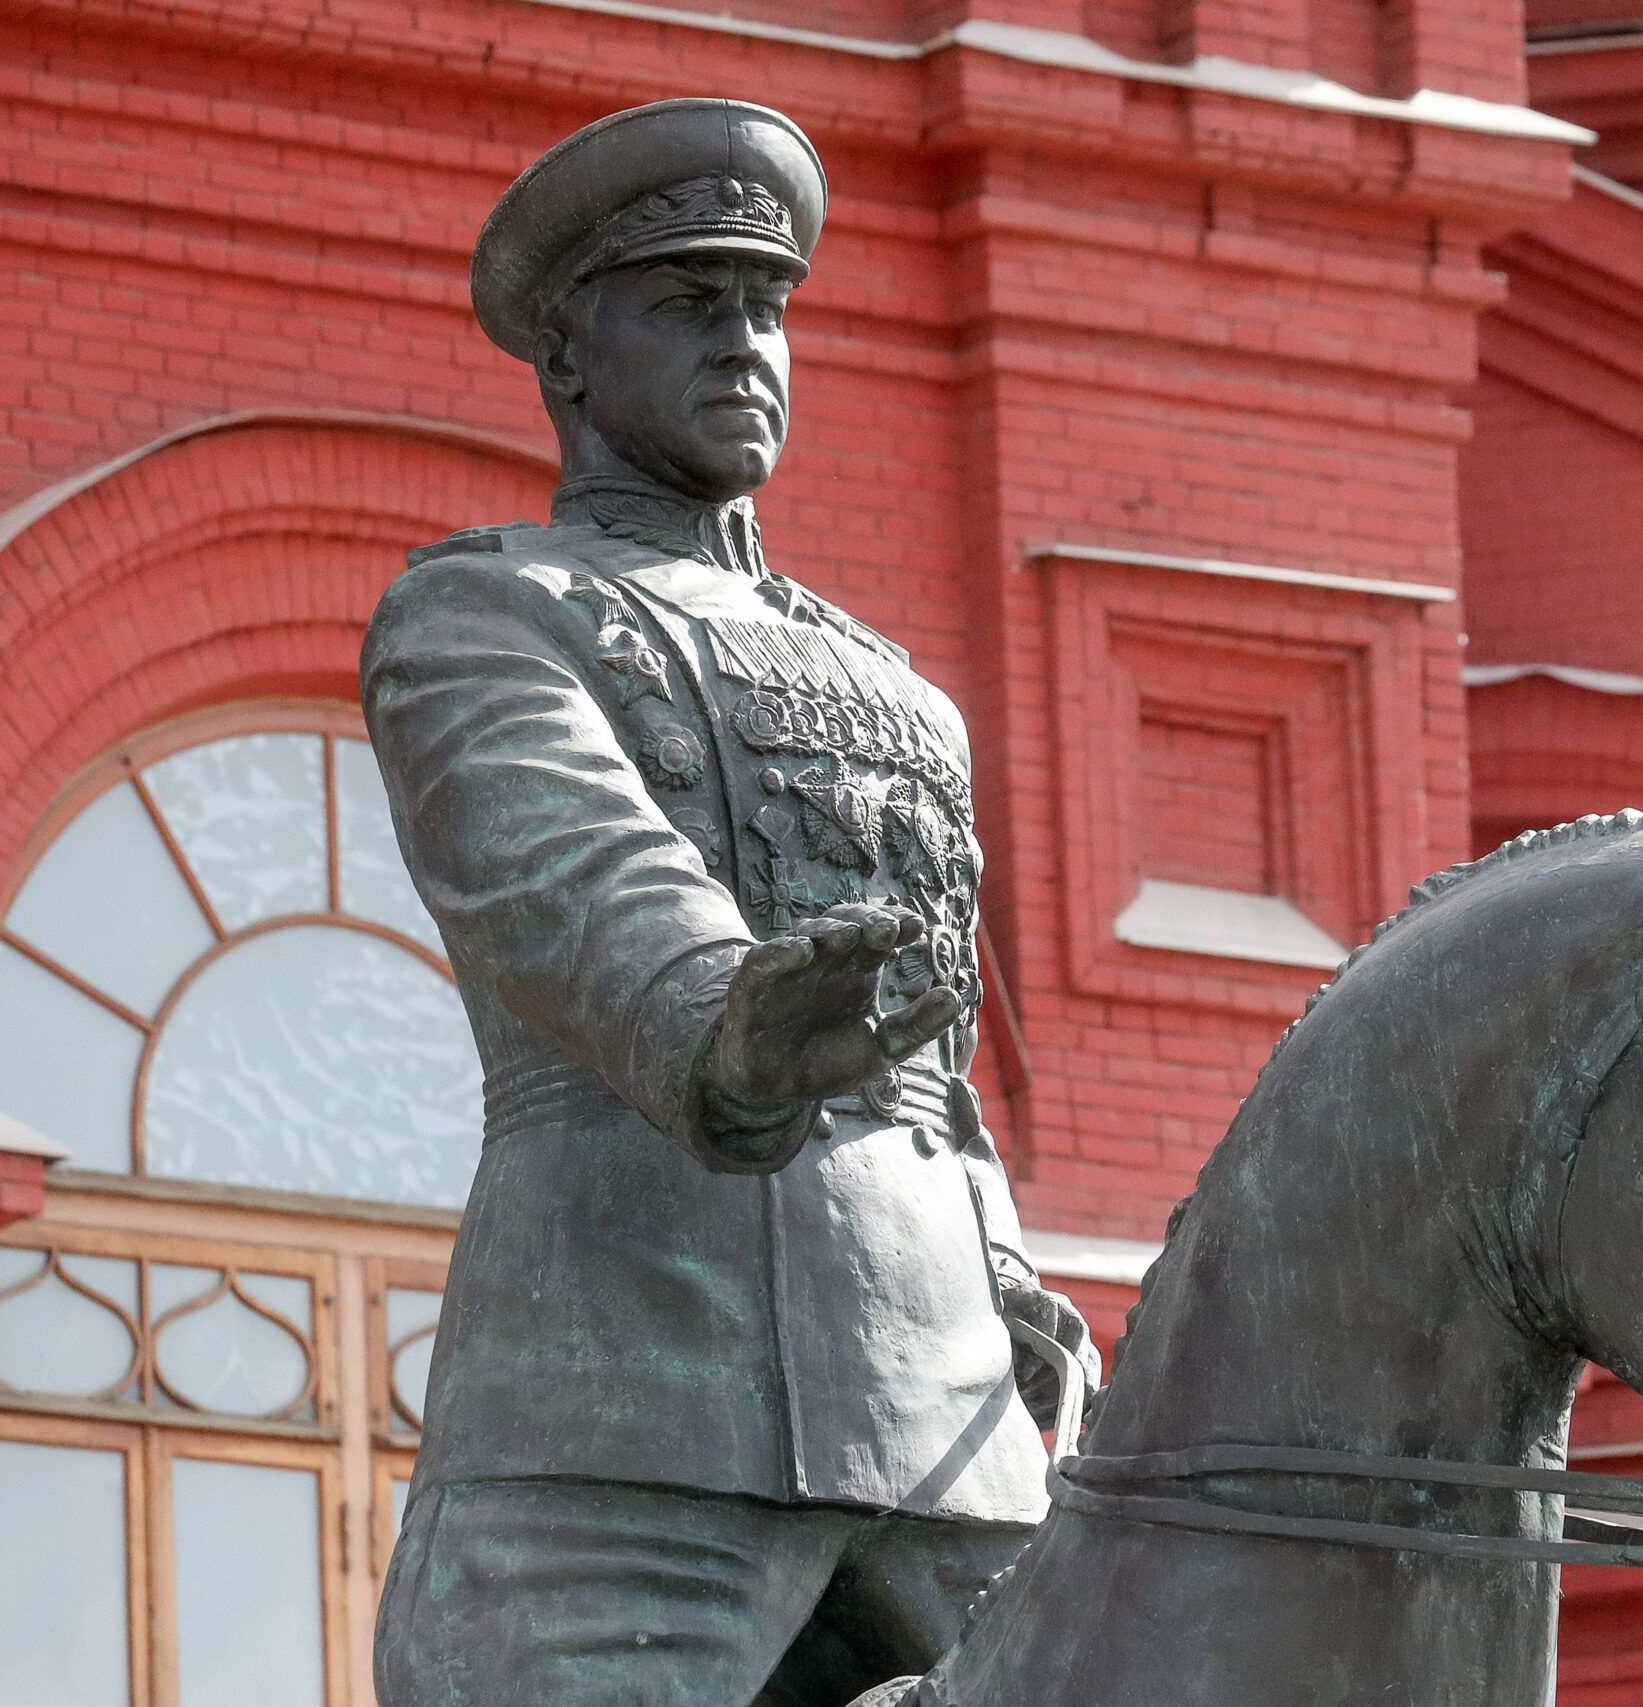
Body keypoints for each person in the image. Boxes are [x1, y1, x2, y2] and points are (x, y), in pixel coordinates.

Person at [364, 98, 1095, 1707]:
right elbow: (574, 883)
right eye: (690, 304)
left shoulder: (894, 692)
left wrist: (1002, 1263)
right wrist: (731, 1025)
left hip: (948, 1430)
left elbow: (940, 1075)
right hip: (627, 1412)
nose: (745, 344)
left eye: (766, 306)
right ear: (570, 352)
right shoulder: (487, 614)